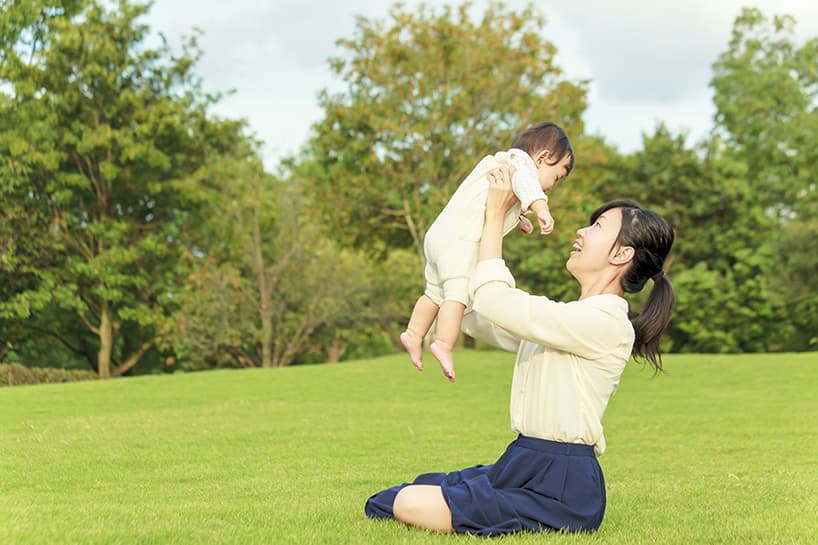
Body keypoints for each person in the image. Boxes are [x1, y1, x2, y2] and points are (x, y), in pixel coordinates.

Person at [365, 165, 676, 536]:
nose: (581, 231)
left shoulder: (606, 324)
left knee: (407, 503)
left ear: (622, 254)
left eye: (597, 227)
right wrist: (454, 254)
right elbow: (481, 316)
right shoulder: (568, 319)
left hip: (562, 485)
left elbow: (496, 300)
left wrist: (496, 214)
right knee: (391, 498)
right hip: (523, 462)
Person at [400, 121, 574, 383]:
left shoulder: (501, 164)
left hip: (438, 237)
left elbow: (494, 205)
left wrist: (521, 219)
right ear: (543, 157)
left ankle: (413, 333)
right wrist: (541, 209)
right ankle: (443, 343)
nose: (552, 185)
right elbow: (527, 184)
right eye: (557, 176)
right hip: (460, 241)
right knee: (457, 293)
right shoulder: (521, 165)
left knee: (434, 292)